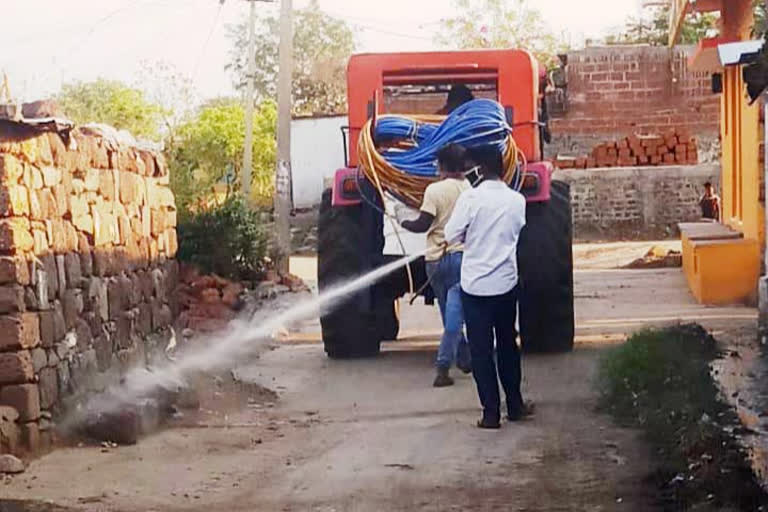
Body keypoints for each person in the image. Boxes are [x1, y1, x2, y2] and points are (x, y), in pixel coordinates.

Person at [444, 144, 533, 429]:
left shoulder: (470, 199)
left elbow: (450, 234)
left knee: (481, 351)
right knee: (508, 344)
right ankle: (516, 406)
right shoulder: (517, 200)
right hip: (506, 284)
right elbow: (517, 231)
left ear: (479, 169)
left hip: (475, 287)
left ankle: (491, 414)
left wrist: (471, 236)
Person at [401, 143, 472, 387]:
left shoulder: (434, 190)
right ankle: (454, 361)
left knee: (449, 314)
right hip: (461, 259)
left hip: (436, 262)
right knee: (457, 314)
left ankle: (453, 363)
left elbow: (423, 223)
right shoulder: (469, 189)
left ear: (441, 165)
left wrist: (404, 223)